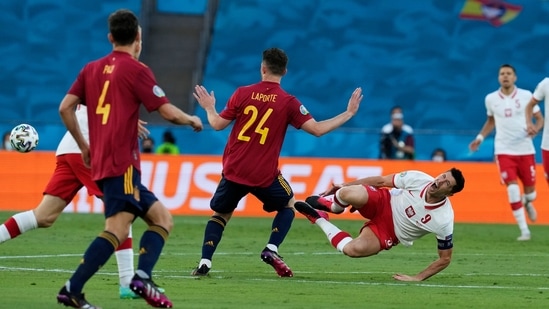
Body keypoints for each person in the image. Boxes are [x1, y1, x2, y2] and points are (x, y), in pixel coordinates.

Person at [57, 9, 203, 308]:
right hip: (122, 164)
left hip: (103, 162)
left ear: (111, 37)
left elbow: (65, 108)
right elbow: (166, 111)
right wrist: (191, 119)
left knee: (162, 219)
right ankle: (73, 288)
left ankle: (141, 278)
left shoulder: (91, 69)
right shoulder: (137, 70)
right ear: (138, 37)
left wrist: (85, 146)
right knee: (117, 229)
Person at [190, 47, 363, 277]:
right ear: (285, 71)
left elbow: (218, 124)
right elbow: (318, 130)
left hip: (234, 170)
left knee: (221, 215)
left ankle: (205, 261)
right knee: (289, 204)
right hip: (264, 174)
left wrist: (209, 107)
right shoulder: (288, 101)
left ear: (262, 68)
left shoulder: (242, 93)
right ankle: (271, 248)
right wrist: (348, 113)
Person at [0, 105, 145, 299]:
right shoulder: (109, 78)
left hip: (68, 149)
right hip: (86, 148)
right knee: (122, 210)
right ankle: (127, 283)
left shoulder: (95, 78)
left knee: (43, 216)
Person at [294, 168, 465, 281]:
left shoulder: (443, 220)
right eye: (443, 176)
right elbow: (381, 181)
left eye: (446, 184)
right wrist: (344, 185)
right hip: (384, 201)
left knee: (352, 250)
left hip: (390, 231)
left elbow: (445, 258)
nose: (440, 181)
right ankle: (334, 206)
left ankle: (319, 218)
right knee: (347, 192)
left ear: (450, 193)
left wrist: (417, 277)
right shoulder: (419, 178)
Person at [469, 64, 542, 241]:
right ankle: (525, 231)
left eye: (509, 73)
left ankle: (527, 201)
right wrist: (479, 138)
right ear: (498, 77)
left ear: (515, 77)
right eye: (502, 74)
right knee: (513, 189)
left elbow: (540, 119)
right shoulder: (491, 99)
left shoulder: (526, 96)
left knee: (531, 192)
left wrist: (535, 128)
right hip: (504, 150)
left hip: (525, 150)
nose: (505, 76)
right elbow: (491, 122)